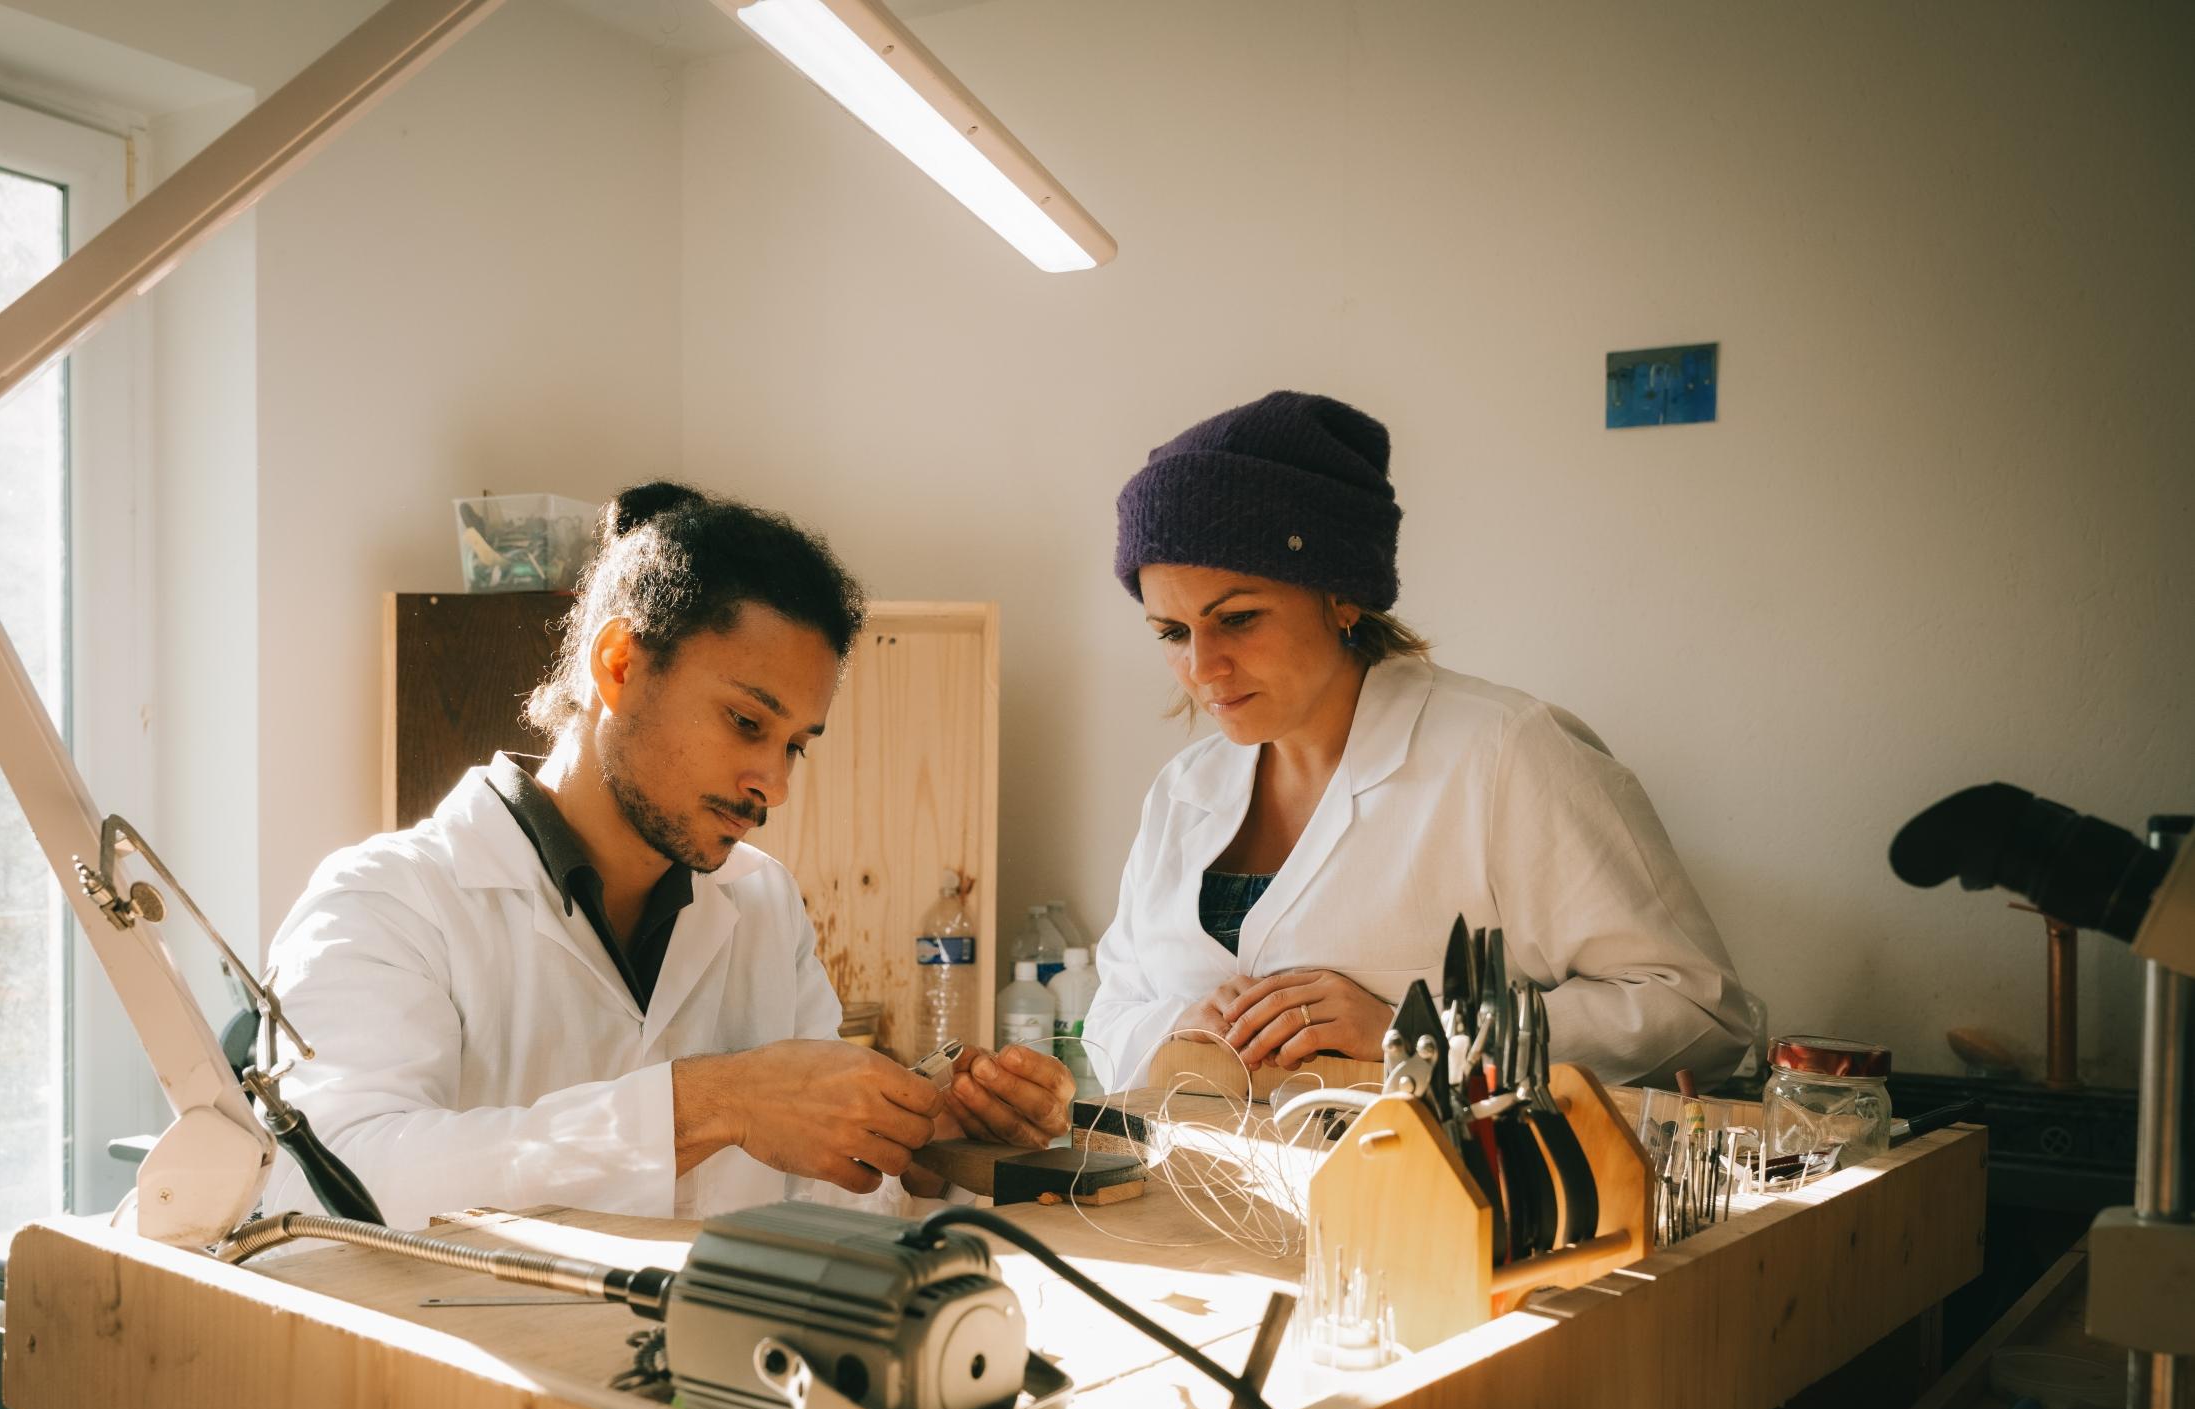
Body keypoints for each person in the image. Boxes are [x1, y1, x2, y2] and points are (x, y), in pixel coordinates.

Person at [263, 483, 1071, 1227]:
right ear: (619, 665)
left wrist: (926, 1148)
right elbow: (329, 1184)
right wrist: (710, 1103)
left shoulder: (762, 905)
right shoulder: (385, 900)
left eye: (796, 744)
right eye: (747, 723)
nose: (774, 785)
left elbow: (822, 1202)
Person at [1087, 392, 1754, 1092]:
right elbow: (1109, 1016)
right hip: (1190, 1195)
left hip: (1436, 1197)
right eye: (1171, 632)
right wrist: (1179, 1027)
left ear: (1341, 594)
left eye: (1240, 618)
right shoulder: (1181, 791)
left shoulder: (1502, 753)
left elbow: (1696, 1011)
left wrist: (1418, 1031)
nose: (1202, 667)